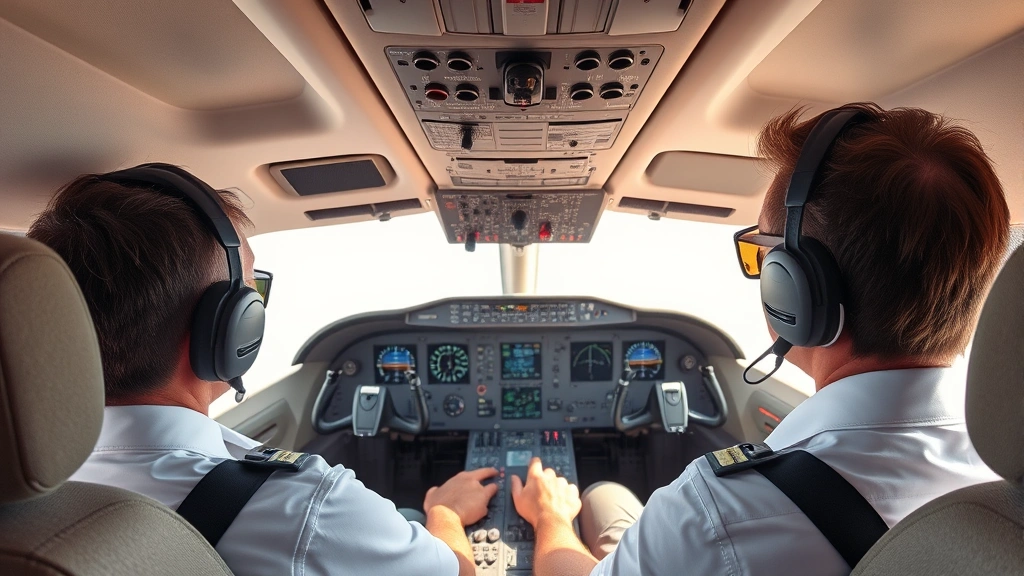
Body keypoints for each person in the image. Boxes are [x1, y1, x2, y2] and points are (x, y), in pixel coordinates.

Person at [510, 102, 1011, 576]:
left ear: (795, 288)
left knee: (600, 497)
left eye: (762, 256)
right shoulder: (1006, 490)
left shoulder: (715, 518)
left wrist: (550, 518)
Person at [28, 166, 496, 576]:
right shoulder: (305, 507)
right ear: (229, 329)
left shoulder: (26, 492)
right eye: (254, 290)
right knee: (416, 513)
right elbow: (457, 571)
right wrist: (446, 513)